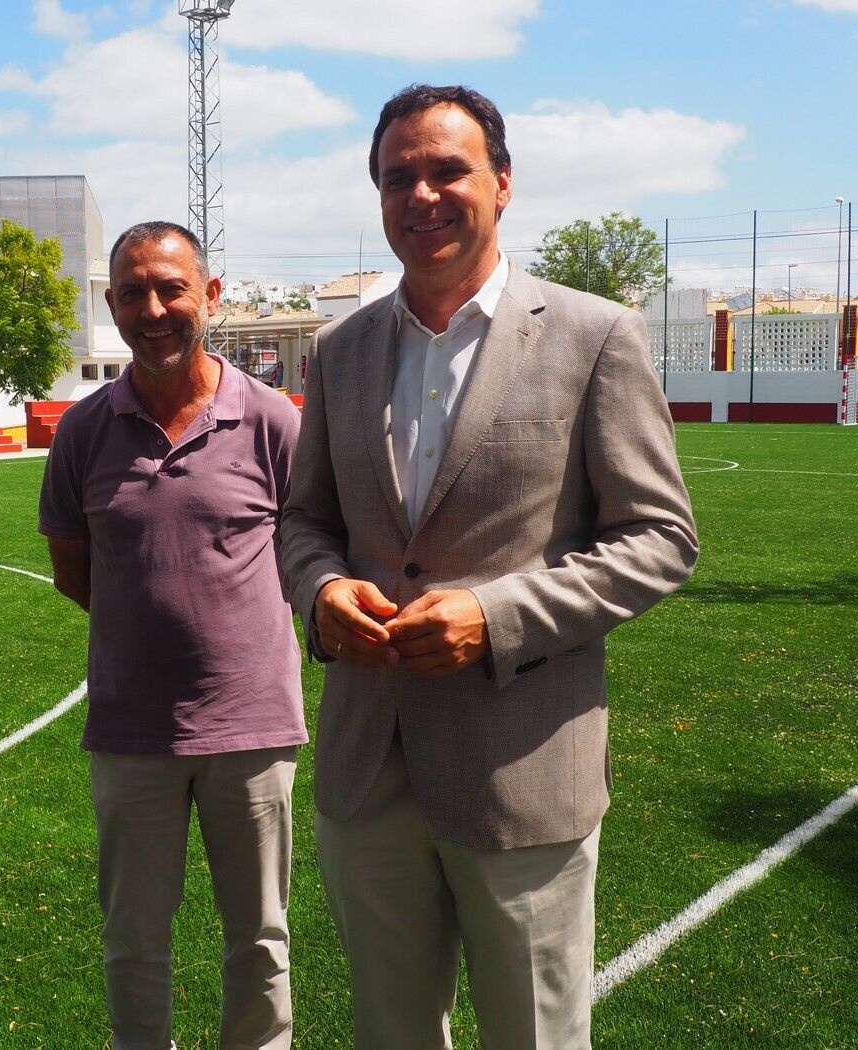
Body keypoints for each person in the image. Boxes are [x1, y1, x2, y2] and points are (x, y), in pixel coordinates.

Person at [280, 84, 699, 1049]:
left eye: (446, 170)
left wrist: (494, 615)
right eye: (397, 178)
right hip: (365, 770)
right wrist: (321, 589)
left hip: (520, 771)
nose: (421, 195)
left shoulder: (595, 336)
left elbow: (659, 538)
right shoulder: (338, 352)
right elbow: (303, 520)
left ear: (501, 184)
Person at [38, 220, 304, 1050]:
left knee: (259, 939)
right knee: (132, 939)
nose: (152, 309)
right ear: (112, 305)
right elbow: (75, 573)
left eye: (170, 289)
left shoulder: (271, 420)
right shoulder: (82, 432)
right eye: (131, 293)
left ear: (210, 296)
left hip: (253, 727)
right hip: (130, 730)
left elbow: (308, 553)